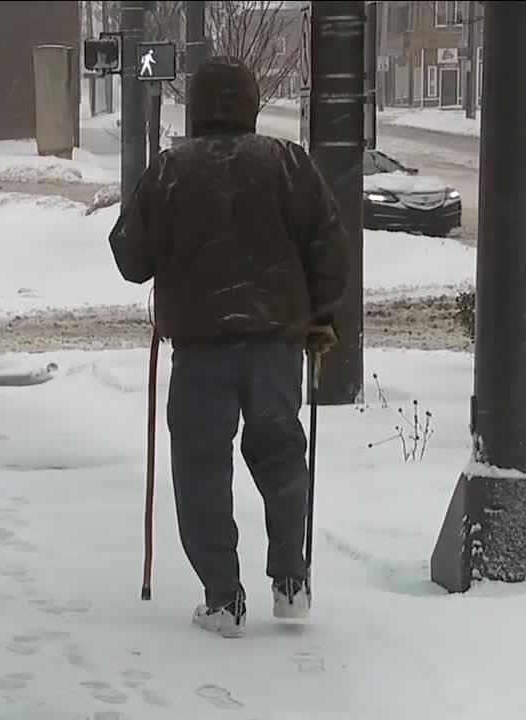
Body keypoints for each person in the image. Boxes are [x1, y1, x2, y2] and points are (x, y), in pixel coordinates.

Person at [107, 56, 349, 638]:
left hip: (200, 352)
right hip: (274, 345)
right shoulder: (288, 163)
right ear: (250, 104)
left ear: (194, 107)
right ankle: (291, 581)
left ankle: (223, 599)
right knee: (282, 456)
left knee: (201, 469)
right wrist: (319, 316)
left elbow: (130, 259)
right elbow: (330, 249)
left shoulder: (169, 171)